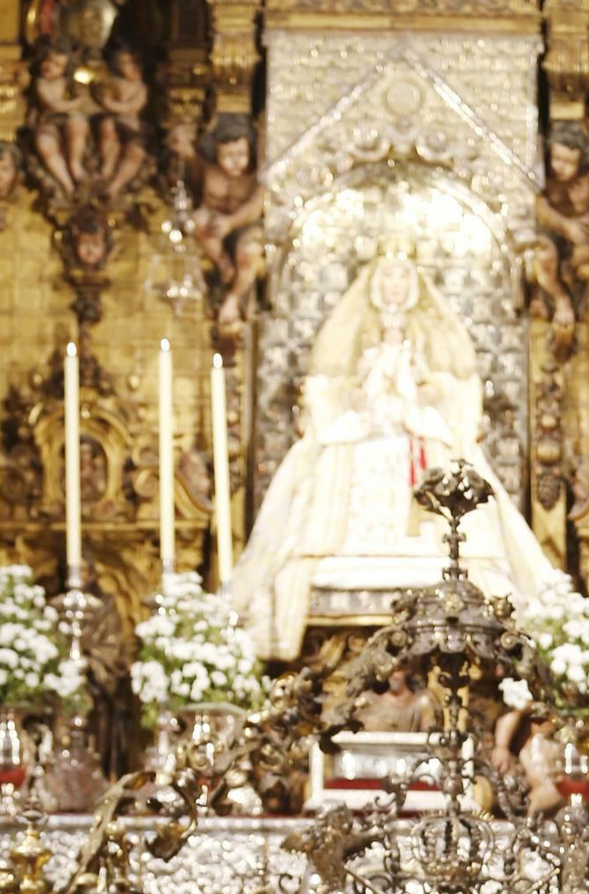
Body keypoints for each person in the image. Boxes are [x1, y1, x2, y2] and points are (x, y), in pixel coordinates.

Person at [228, 249, 558, 660]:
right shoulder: (357, 333)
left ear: (413, 285)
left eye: (402, 278)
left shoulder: (427, 334)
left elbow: (453, 389)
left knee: (431, 460)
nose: (395, 286)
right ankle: (340, 550)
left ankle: (434, 550)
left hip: (413, 425)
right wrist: (361, 393)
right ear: (375, 283)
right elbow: (331, 388)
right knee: (348, 455)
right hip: (371, 425)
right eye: (388, 278)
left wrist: (424, 388)